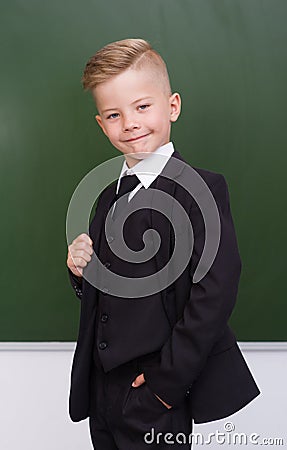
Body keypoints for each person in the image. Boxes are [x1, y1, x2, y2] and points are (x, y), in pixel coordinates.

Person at [66, 38, 260, 449]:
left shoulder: (202, 190)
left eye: (142, 107)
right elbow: (112, 291)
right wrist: (81, 272)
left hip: (156, 390)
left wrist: (164, 385)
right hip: (102, 388)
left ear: (172, 106)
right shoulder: (107, 197)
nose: (130, 123)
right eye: (114, 114)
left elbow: (216, 291)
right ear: (101, 124)